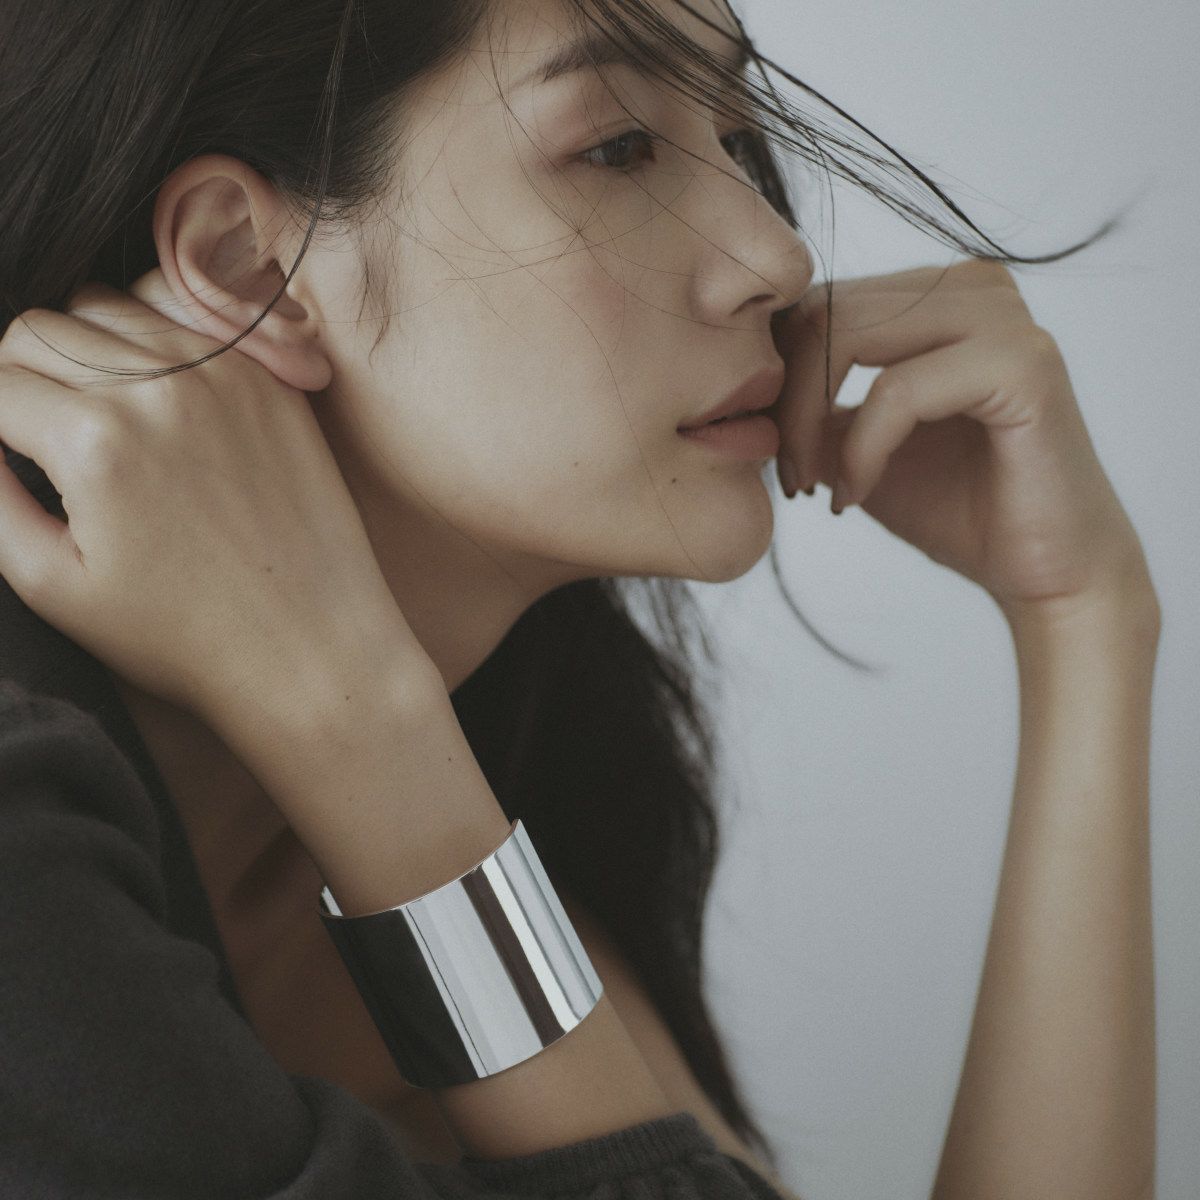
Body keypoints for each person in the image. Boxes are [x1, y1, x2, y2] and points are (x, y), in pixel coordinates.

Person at [0, 0, 1159, 1197]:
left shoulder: (505, 758)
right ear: (251, 267)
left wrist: (1085, 622)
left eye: (732, 135)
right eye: (617, 148)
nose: (776, 254)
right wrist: (361, 720)